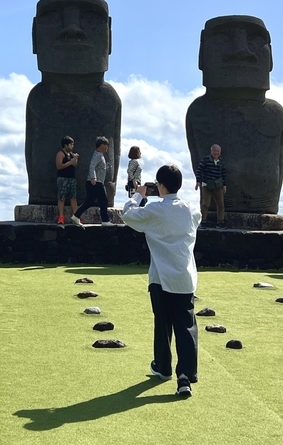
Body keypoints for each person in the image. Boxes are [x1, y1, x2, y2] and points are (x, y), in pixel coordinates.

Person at [120, 164, 202, 399]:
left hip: (160, 277)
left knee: (162, 322)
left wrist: (139, 194)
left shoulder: (155, 210)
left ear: (160, 185)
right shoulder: (189, 209)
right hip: (184, 277)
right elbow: (197, 217)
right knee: (186, 327)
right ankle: (184, 377)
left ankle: (163, 367)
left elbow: (127, 215)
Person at [73, 136, 113, 225]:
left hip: (94, 182)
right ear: (102, 145)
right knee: (104, 201)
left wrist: (106, 167)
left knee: (90, 201)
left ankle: (76, 216)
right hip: (96, 182)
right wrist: (93, 177)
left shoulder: (100, 155)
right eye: (106, 145)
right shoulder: (98, 155)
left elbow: (98, 168)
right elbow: (92, 166)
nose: (107, 147)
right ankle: (105, 221)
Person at [194, 144, 228, 228]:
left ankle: (220, 222)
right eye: (214, 151)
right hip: (206, 185)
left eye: (218, 151)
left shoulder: (221, 162)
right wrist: (198, 181)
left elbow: (223, 174)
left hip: (218, 185)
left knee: (220, 204)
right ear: (211, 151)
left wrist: (224, 185)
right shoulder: (206, 160)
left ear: (220, 152)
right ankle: (203, 221)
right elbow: (199, 170)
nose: (216, 152)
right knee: (205, 204)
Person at [55, 136, 81, 225]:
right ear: (66, 145)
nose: (72, 146)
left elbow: (74, 165)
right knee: (61, 198)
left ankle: (76, 217)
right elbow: (59, 166)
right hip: (63, 178)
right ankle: (61, 217)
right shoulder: (60, 154)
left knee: (73, 198)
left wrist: (75, 159)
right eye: (71, 144)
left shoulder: (71, 154)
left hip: (72, 178)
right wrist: (70, 162)